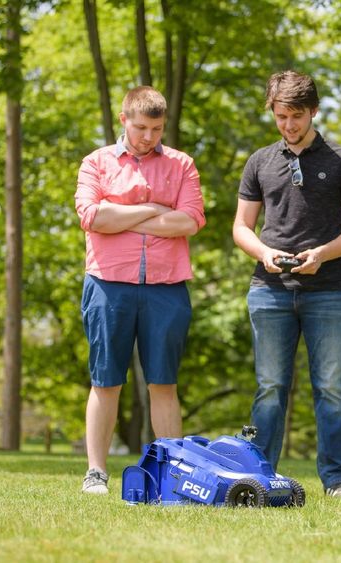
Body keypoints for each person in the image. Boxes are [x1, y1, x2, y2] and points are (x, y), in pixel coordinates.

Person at [233, 71, 341, 498]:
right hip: (269, 289)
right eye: (280, 116)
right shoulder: (259, 161)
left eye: (296, 116)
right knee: (270, 387)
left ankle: (336, 481)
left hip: (329, 289)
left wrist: (322, 255)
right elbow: (241, 227)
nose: (288, 125)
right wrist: (263, 254)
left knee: (331, 387)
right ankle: (261, 476)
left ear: (313, 111)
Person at [74, 86, 205, 494]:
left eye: (157, 128)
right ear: (123, 119)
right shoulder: (96, 162)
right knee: (105, 380)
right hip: (107, 283)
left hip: (167, 286)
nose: (149, 136)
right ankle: (96, 472)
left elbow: (190, 221)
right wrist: (153, 210)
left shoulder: (182, 165)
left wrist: (123, 218)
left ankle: (172, 473)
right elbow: (93, 215)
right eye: (142, 127)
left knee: (163, 383)